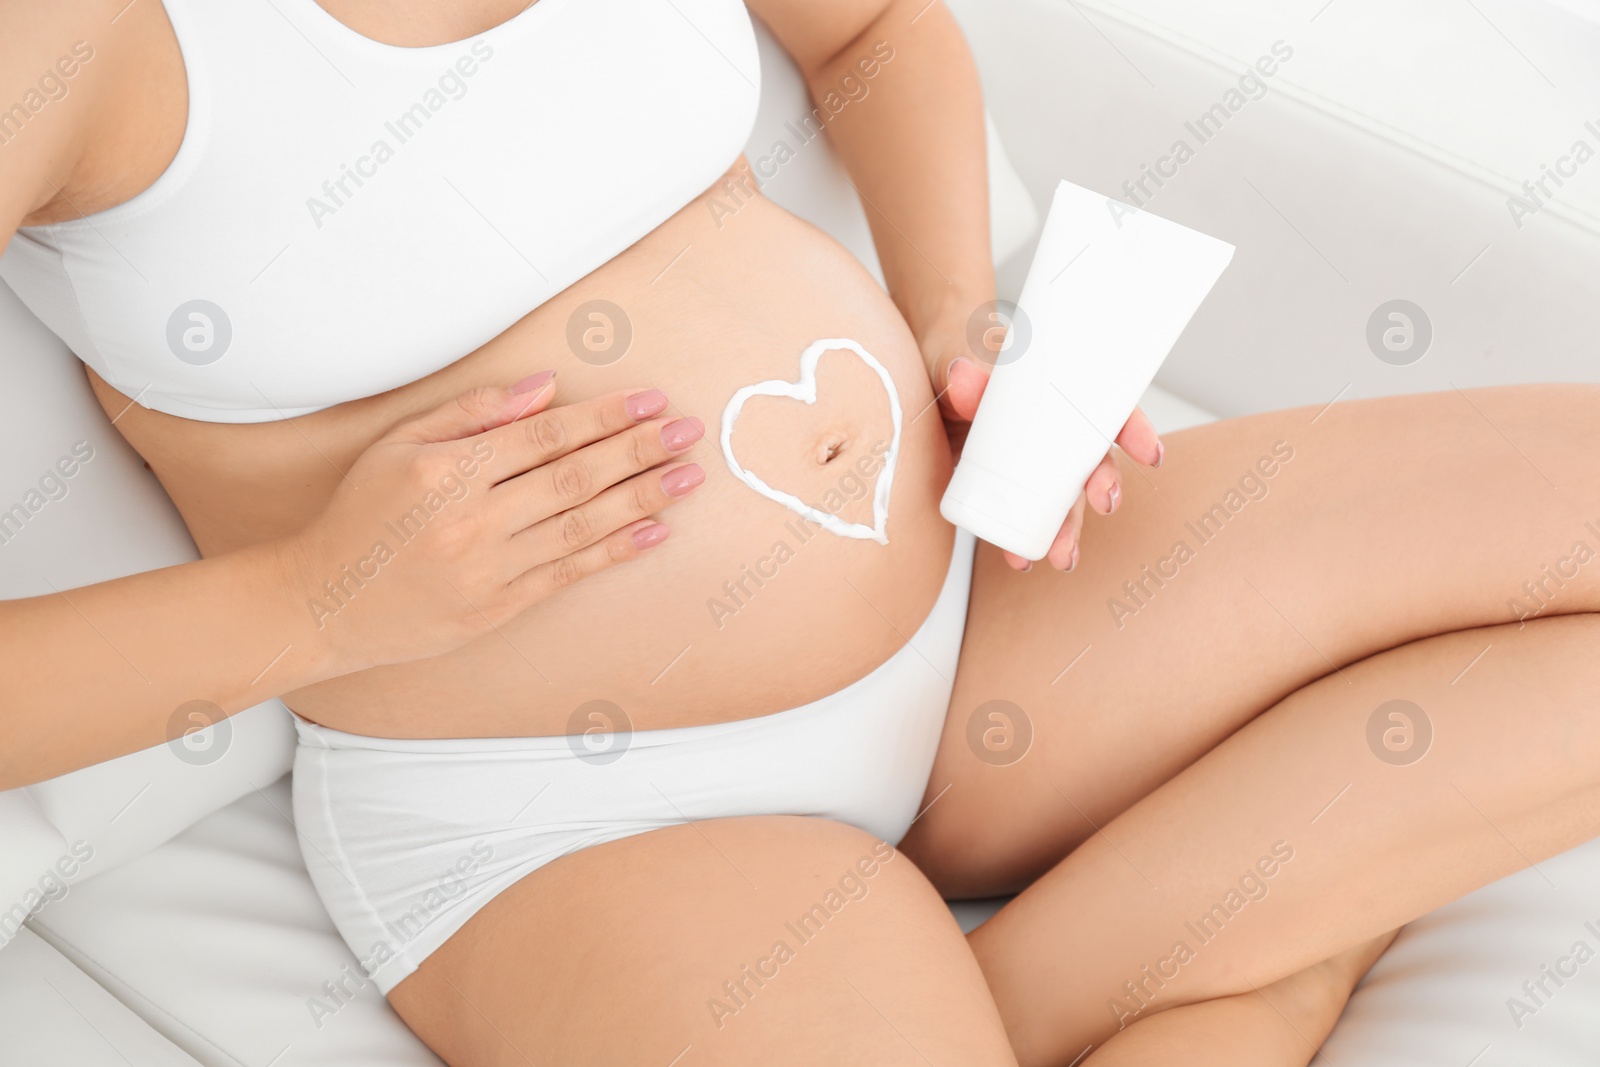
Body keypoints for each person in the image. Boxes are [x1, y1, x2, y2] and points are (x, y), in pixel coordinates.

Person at [2, 1, 1596, 1064]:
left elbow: (877, 26)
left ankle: (1026, 997)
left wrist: (963, 316)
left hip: (981, 592)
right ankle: (1266, 955)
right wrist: (316, 603)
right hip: (575, 822)